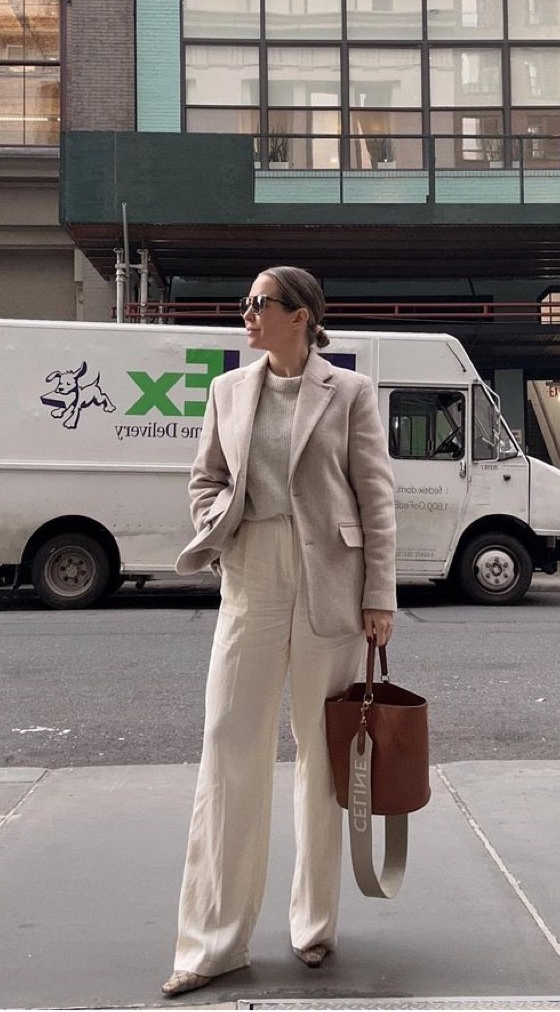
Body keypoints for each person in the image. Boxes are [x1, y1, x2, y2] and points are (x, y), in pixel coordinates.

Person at [162, 265, 397, 998]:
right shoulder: (227, 390)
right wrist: (218, 523)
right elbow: (203, 478)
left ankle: (313, 924)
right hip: (252, 572)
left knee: (323, 763)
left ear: (299, 315)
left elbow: (376, 495)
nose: (245, 316)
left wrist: (379, 595)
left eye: (258, 305)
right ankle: (212, 942)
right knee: (229, 749)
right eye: (244, 306)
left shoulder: (349, 392)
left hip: (330, 580)